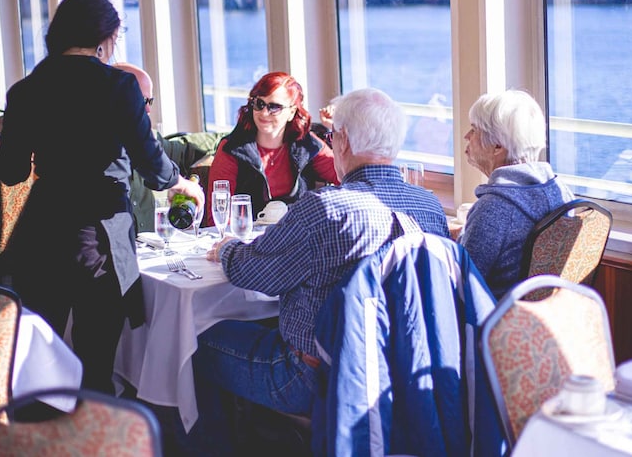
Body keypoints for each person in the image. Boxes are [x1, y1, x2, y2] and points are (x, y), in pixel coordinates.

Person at [192, 87, 450, 455]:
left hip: (313, 375)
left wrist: (229, 249)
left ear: (341, 142)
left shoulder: (326, 209)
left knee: (198, 342)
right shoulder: (428, 207)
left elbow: (254, 273)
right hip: (401, 366)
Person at [0, 0, 203, 394]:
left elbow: (11, 172)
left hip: (41, 230)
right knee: (95, 359)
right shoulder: (118, 86)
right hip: (100, 235)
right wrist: (179, 181)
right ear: (105, 38)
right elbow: (150, 162)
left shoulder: (25, 90)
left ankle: (40, 440)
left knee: (42, 355)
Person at [457, 89, 574, 300]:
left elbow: (463, 283)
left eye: (474, 130)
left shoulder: (494, 208)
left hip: (495, 322)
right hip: (551, 316)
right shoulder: (563, 195)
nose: (467, 136)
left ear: (497, 146)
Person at [206, 71, 338, 225]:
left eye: (274, 107)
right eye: (259, 104)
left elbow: (348, 176)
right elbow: (218, 216)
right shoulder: (232, 149)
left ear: (291, 112)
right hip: (248, 239)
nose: (264, 113)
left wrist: (336, 128)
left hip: (296, 236)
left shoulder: (308, 145)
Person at [113, 62, 215, 233]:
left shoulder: (150, 138)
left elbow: (187, 149)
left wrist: (236, 137)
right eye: (140, 100)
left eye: (150, 101)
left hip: (150, 250)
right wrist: (178, 183)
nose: (147, 109)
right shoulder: (96, 147)